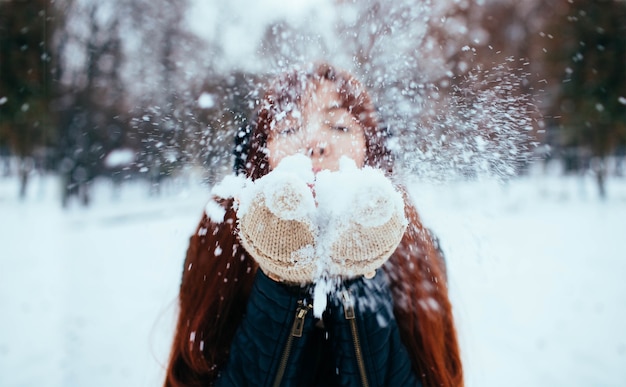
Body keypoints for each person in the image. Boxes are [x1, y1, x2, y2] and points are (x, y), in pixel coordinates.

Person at [164, 63, 463, 387]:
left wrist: (356, 278)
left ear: (371, 151)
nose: (315, 143)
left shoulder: (414, 245)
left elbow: (439, 377)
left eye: (338, 126)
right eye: (289, 129)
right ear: (260, 156)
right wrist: (281, 279)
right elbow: (191, 378)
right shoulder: (220, 237)